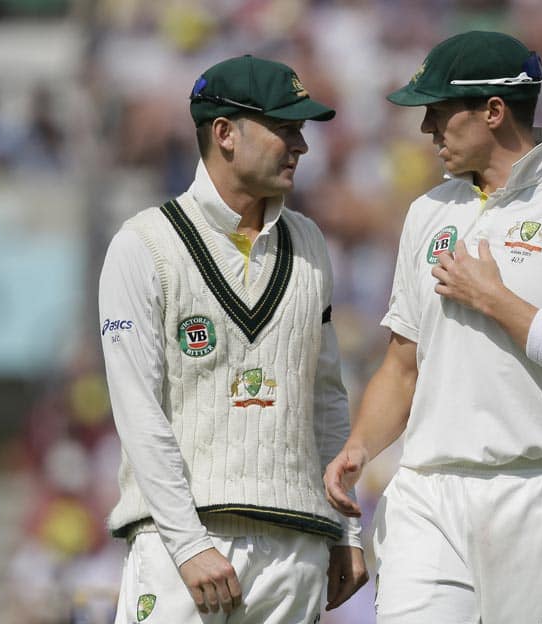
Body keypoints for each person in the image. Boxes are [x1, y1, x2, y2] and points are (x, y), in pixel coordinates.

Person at [324, 31, 542, 623]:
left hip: (540, 490)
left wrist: (495, 298)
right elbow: (403, 364)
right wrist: (360, 446)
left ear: (494, 111)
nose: (426, 129)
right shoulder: (429, 213)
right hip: (428, 492)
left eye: (439, 113)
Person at [99, 55, 367, 624]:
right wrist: (188, 543)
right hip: (184, 544)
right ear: (224, 133)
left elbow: (326, 398)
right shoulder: (144, 244)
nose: (301, 146)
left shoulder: (311, 242)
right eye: (285, 129)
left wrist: (346, 527)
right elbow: (136, 407)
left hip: (295, 549)